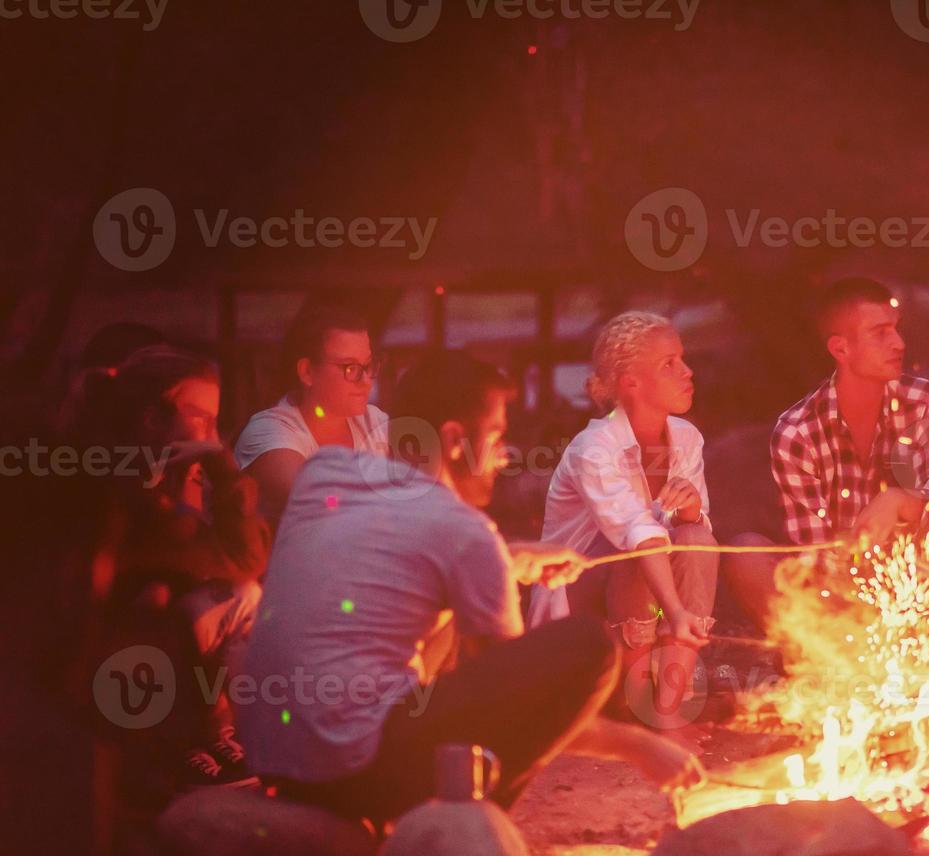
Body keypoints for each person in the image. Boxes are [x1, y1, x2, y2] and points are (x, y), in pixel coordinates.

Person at [237, 351, 704, 826]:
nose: (505, 456)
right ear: (457, 439)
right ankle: (473, 824)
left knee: (445, 627)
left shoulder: (326, 473)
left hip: (271, 754)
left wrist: (506, 558)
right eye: (498, 437)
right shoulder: (464, 530)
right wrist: (640, 747)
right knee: (589, 645)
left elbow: (396, 550)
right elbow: (523, 701)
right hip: (356, 770)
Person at [74, 344, 270, 791]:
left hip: (170, 652)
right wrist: (220, 472)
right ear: (152, 420)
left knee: (245, 597)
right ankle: (170, 751)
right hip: (113, 665)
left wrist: (217, 472)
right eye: (199, 417)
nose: (211, 435)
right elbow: (239, 559)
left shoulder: (185, 478)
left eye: (215, 420)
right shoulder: (119, 487)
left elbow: (245, 562)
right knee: (170, 602)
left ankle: (223, 733)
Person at [724, 277, 929, 627]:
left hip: (918, 581)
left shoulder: (921, 401)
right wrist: (862, 602)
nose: (898, 343)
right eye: (880, 333)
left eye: (896, 329)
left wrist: (901, 500)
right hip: (837, 596)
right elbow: (814, 551)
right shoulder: (798, 431)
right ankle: (825, 661)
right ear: (841, 349)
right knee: (745, 555)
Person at [528, 312, 715, 724]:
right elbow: (637, 532)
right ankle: (630, 699)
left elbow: (694, 542)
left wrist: (690, 511)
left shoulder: (686, 438)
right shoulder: (593, 447)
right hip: (581, 606)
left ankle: (667, 705)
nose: (687, 371)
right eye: (669, 364)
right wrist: (676, 612)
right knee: (636, 548)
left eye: (682, 359)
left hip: (646, 595)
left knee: (697, 535)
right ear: (631, 382)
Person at [234, 307, 389, 526]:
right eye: (351, 368)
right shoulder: (269, 431)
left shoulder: (375, 423)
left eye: (368, 365)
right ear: (307, 372)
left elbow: (424, 488)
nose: (366, 381)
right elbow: (316, 497)